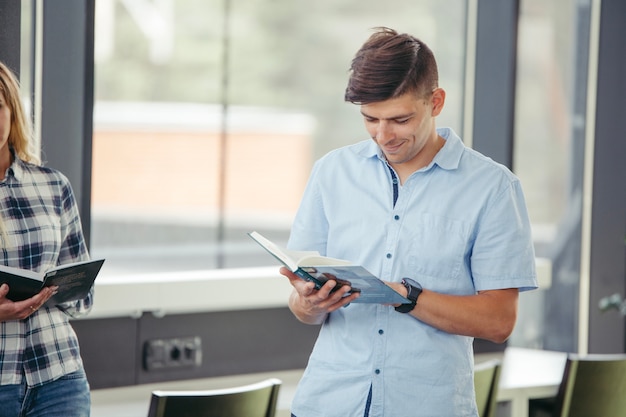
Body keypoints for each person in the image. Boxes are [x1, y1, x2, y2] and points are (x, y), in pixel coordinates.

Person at [280, 27, 538, 417]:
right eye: (370, 119)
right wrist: (311, 301)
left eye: (400, 119)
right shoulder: (331, 172)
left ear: (435, 102)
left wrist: (406, 296)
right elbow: (302, 309)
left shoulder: (493, 188)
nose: (384, 135)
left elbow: (499, 321)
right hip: (328, 403)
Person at [0, 61, 93, 417]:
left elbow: (83, 296)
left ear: (13, 112)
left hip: (60, 379)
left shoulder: (53, 186)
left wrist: (69, 288)